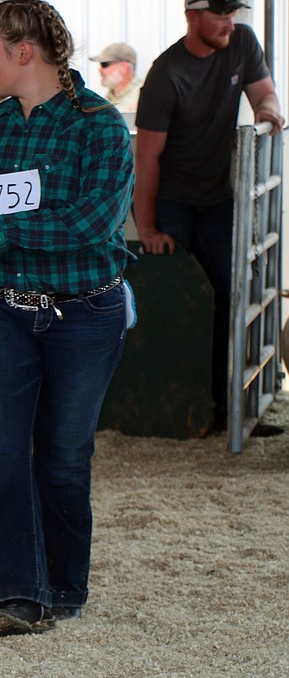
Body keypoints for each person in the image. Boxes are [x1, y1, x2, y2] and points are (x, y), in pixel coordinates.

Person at [0, 0, 136, 636]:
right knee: (0, 451)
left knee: (63, 453)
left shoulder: (99, 128)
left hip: (84, 314)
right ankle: (16, 594)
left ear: (25, 52)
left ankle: (66, 587)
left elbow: (92, 223)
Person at [133, 0, 285, 437]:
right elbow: (147, 158)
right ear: (192, 16)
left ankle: (226, 410)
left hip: (220, 198)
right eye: (219, 13)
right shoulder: (166, 74)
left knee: (232, 297)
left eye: (231, 12)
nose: (228, 22)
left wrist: (269, 111)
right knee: (184, 299)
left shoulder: (241, 43)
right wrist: (147, 228)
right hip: (173, 202)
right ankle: (180, 409)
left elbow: (264, 91)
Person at [89, 42, 143, 112]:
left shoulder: (144, 95)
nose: (100, 70)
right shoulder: (109, 97)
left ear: (124, 67)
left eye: (104, 64)